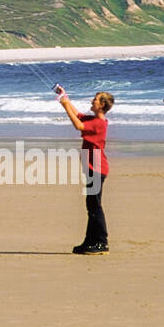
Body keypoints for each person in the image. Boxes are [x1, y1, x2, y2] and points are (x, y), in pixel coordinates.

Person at [54, 85, 112, 254]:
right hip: (91, 168)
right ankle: (89, 242)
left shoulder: (99, 124)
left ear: (102, 105)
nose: (92, 101)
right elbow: (78, 116)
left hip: (98, 169)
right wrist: (65, 97)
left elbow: (78, 125)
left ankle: (102, 242)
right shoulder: (94, 120)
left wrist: (65, 105)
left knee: (94, 206)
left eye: (95, 99)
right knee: (91, 205)